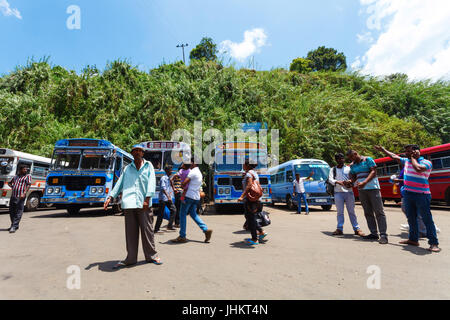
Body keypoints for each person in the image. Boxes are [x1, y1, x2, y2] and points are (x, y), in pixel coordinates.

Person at [104, 144, 162, 268]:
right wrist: (110, 197)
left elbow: (151, 182)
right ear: (132, 153)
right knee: (131, 233)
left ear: (142, 153)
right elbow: (119, 183)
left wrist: (147, 198)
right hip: (129, 203)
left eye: (139, 151)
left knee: (147, 231)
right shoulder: (127, 169)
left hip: (144, 203)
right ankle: (131, 258)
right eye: (135, 151)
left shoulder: (148, 166)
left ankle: (152, 255)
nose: (137, 153)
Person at [374, 145, 440, 252]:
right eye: (407, 152)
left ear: (418, 151)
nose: (409, 153)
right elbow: (394, 156)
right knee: (411, 218)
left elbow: (418, 169)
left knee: (427, 219)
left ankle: (433, 243)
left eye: (411, 151)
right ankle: (413, 239)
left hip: (422, 194)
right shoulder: (407, 161)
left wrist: (413, 158)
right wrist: (383, 150)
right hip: (408, 194)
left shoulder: (426, 162)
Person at [346, 150, 388, 244]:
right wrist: (350, 182)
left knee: (379, 212)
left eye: (351, 157)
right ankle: (373, 233)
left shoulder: (368, 159)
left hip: (373, 188)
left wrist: (365, 182)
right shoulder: (353, 165)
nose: (351, 159)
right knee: (368, 212)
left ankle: (383, 235)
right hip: (362, 190)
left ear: (356, 154)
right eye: (349, 158)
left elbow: (373, 171)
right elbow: (354, 176)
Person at [171, 158, 213, 243]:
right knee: (193, 214)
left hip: (188, 196)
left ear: (193, 163)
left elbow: (184, 183)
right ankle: (205, 229)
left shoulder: (192, 172)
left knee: (182, 214)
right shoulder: (199, 172)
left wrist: (181, 186)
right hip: (196, 197)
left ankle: (182, 236)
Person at [328, 153, 365, 236]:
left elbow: (354, 179)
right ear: (336, 160)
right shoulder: (332, 169)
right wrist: (338, 182)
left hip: (349, 192)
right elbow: (330, 179)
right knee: (340, 212)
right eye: (338, 159)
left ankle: (357, 229)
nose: (341, 160)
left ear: (344, 159)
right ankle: (339, 229)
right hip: (338, 193)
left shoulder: (349, 169)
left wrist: (350, 183)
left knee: (351, 212)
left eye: (342, 158)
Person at [238, 160, 268, 246]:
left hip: (250, 200)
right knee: (249, 217)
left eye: (243, 164)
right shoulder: (253, 173)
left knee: (251, 219)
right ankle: (261, 232)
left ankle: (254, 239)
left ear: (247, 165)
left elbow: (249, 185)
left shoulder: (249, 174)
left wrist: (242, 196)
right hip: (255, 199)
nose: (243, 165)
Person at [7, 165, 32, 233]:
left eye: (26, 169)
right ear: (20, 170)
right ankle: (14, 225)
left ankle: (14, 226)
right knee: (12, 211)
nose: (25, 170)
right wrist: (13, 187)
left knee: (18, 211)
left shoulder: (27, 176)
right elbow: (9, 183)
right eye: (24, 169)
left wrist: (24, 193)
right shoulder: (15, 177)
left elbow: (28, 185)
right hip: (13, 196)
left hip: (21, 196)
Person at [154, 165, 177, 233]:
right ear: (167, 171)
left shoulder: (169, 178)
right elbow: (163, 188)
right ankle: (156, 229)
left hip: (167, 199)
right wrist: (168, 196)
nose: (171, 171)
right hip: (163, 199)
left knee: (174, 210)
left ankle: (169, 225)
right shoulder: (163, 178)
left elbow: (170, 186)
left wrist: (173, 191)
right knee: (160, 214)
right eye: (170, 170)